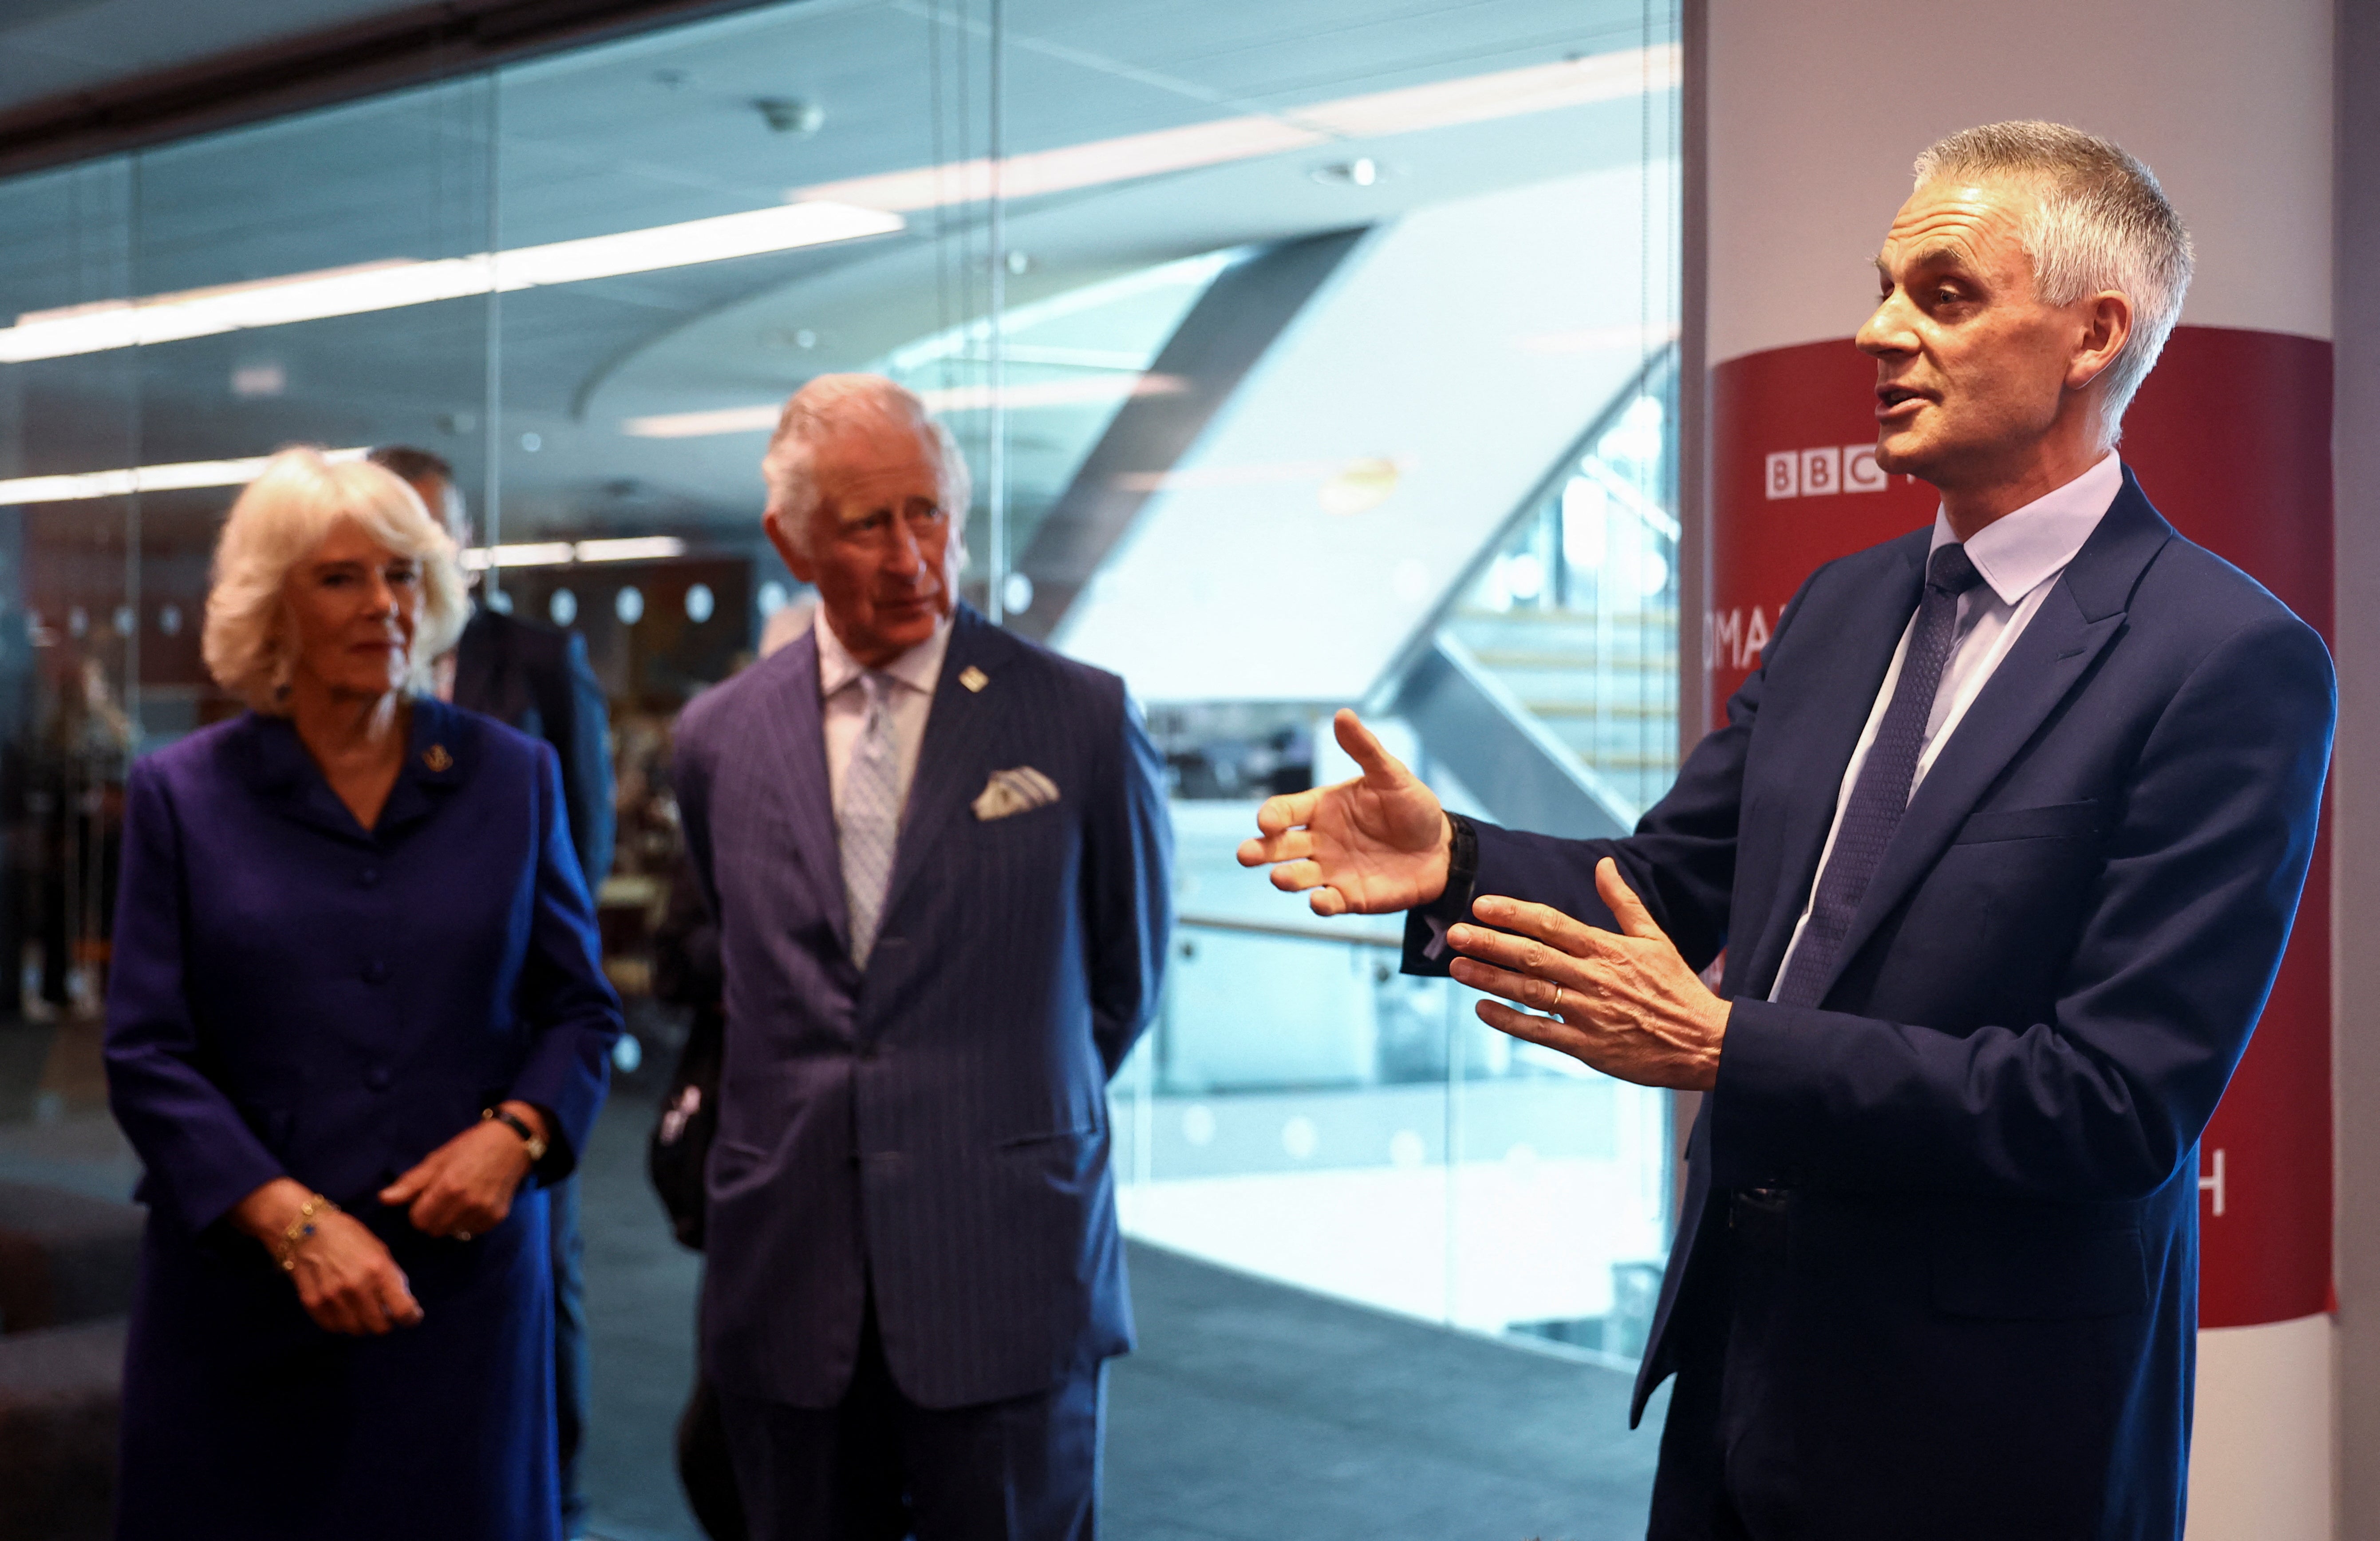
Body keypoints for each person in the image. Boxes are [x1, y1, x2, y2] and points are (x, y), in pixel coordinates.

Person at [1241, 122, 2334, 1540]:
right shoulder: (1839, 609)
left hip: (1995, 1426)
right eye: (1883, 286)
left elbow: (2111, 1107)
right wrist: (1446, 859)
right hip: (1741, 1365)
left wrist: (1721, 1049)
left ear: (2092, 335)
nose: (1878, 330)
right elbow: (1664, 887)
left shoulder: (2224, 658)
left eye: (1941, 294)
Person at [672, 373, 1173, 1541]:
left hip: (1004, 1259)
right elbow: (746, 974)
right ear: (791, 540)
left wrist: (983, 1110)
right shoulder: (716, 739)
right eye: (866, 525)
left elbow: (1123, 984)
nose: (911, 558)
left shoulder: (1079, 720)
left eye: (928, 514)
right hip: (788, 1266)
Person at [103, 448, 621, 1540]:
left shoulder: (512, 776)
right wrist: (295, 1226)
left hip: (460, 1294)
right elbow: (149, 1051)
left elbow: (578, 1008)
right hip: (247, 1293)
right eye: (341, 578)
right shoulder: (181, 795)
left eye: (401, 575)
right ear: (270, 606)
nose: (382, 604)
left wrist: (518, 1132)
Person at [370, 442, 613, 1537]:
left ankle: (550, 1489)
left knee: (537, 1277)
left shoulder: (542, 660)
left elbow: (586, 850)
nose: (416, 563)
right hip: (372, 1044)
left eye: (436, 533)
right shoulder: (332, 666)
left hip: (514, 1047)